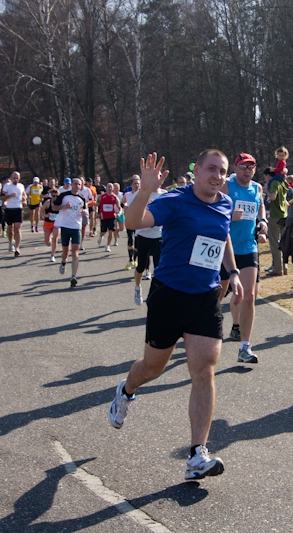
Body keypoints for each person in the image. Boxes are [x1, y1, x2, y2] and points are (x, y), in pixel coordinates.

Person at [107, 150, 243, 482]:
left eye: (221, 171)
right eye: (211, 168)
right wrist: (144, 190)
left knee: (204, 371)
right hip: (169, 294)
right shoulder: (174, 201)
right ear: (196, 170)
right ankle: (125, 390)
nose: (216, 175)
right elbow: (133, 222)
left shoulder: (224, 202)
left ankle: (197, 454)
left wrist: (233, 271)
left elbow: (222, 233)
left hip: (206, 297)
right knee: (153, 367)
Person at [219, 153, 267, 364]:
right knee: (216, 296)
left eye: (251, 167)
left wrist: (263, 221)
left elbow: (260, 206)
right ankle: (197, 329)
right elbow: (211, 209)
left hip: (248, 247)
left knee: (249, 296)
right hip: (224, 247)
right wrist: (229, 215)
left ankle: (244, 347)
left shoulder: (257, 188)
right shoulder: (226, 187)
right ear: (235, 168)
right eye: (243, 167)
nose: (247, 171)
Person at [132, 182, 165, 305]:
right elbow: (131, 212)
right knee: (141, 266)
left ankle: (155, 293)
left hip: (158, 235)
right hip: (143, 235)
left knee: (158, 267)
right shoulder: (140, 194)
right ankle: (137, 287)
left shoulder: (165, 195)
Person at [53, 177, 88, 287]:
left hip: (76, 227)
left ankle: (73, 276)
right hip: (65, 226)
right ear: (71, 184)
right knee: (65, 252)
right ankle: (63, 262)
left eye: (79, 184)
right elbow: (54, 207)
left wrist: (84, 212)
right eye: (75, 183)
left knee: (75, 252)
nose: (77, 186)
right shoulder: (64, 196)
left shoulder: (82, 198)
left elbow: (85, 209)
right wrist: (64, 207)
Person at [266, 161, 290, 276]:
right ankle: (285, 267)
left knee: (275, 243)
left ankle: (277, 269)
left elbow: (273, 197)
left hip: (275, 215)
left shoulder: (274, 183)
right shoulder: (284, 182)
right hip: (284, 214)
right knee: (284, 243)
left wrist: (266, 190)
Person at [1, 171, 27, 257]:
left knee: (17, 229)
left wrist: (24, 200)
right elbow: (1, 197)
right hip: (9, 209)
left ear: (19, 178)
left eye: (17, 178)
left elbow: (24, 195)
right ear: (11, 178)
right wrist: (10, 196)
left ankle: (17, 248)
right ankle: (10, 242)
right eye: (14, 177)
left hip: (18, 209)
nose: (15, 179)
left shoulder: (21, 186)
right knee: (10, 228)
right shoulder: (7, 186)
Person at [97, 183, 121, 252]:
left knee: (111, 231)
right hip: (104, 216)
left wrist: (119, 213)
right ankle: (101, 236)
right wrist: (97, 213)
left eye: (111, 187)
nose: (110, 188)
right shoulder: (102, 196)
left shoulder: (115, 197)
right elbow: (97, 204)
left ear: (113, 188)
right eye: (108, 187)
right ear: (106, 188)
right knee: (103, 231)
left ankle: (107, 245)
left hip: (112, 216)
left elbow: (120, 207)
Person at [41, 188, 59, 262]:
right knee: (47, 241)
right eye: (53, 196)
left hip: (57, 223)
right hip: (48, 222)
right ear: (51, 196)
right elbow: (41, 212)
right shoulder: (47, 202)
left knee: (55, 239)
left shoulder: (60, 203)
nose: (55, 197)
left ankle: (52, 255)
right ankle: (49, 241)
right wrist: (46, 215)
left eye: (57, 196)